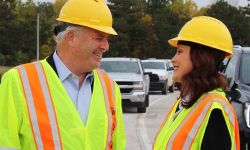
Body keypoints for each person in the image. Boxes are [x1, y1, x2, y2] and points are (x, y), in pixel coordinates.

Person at [0, 0, 126, 149]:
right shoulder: (18, 82)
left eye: (107, 39)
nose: (106, 46)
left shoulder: (110, 89)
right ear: (71, 37)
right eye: (99, 38)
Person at [153, 16, 240, 150]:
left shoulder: (215, 111)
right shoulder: (187, 101)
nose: (173, 59)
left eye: (179, 51)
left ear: (200, 58)